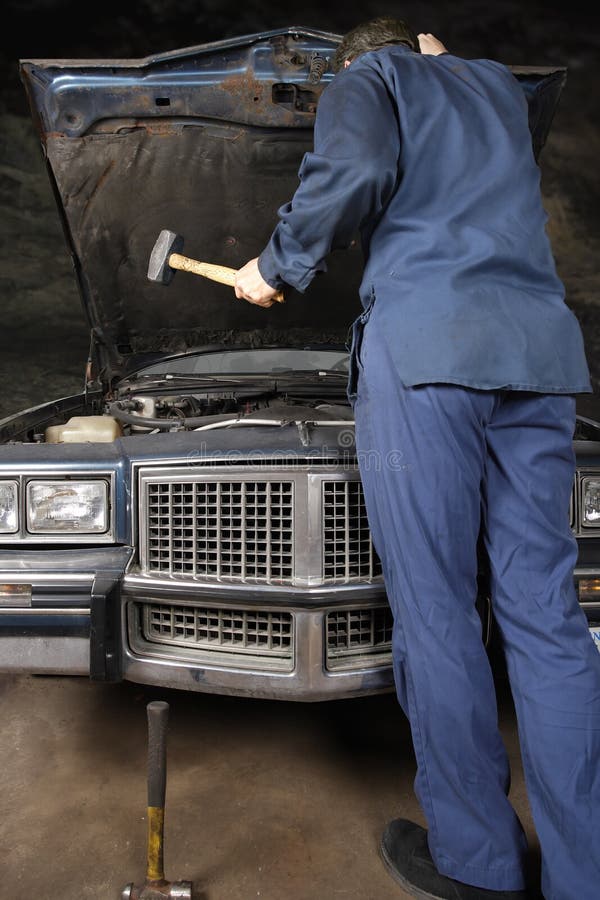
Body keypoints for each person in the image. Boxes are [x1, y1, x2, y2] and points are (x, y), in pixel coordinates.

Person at [234, 17, 600, 900]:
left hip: (430, 350)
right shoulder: (499, 93)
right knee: (547, 617)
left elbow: (357, 171)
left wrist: (276, 266)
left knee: (436, 611)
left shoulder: (373, 78)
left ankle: (479, 864)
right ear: (431, 40)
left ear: (367, 58)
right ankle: (587, 875)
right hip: (541, 358)